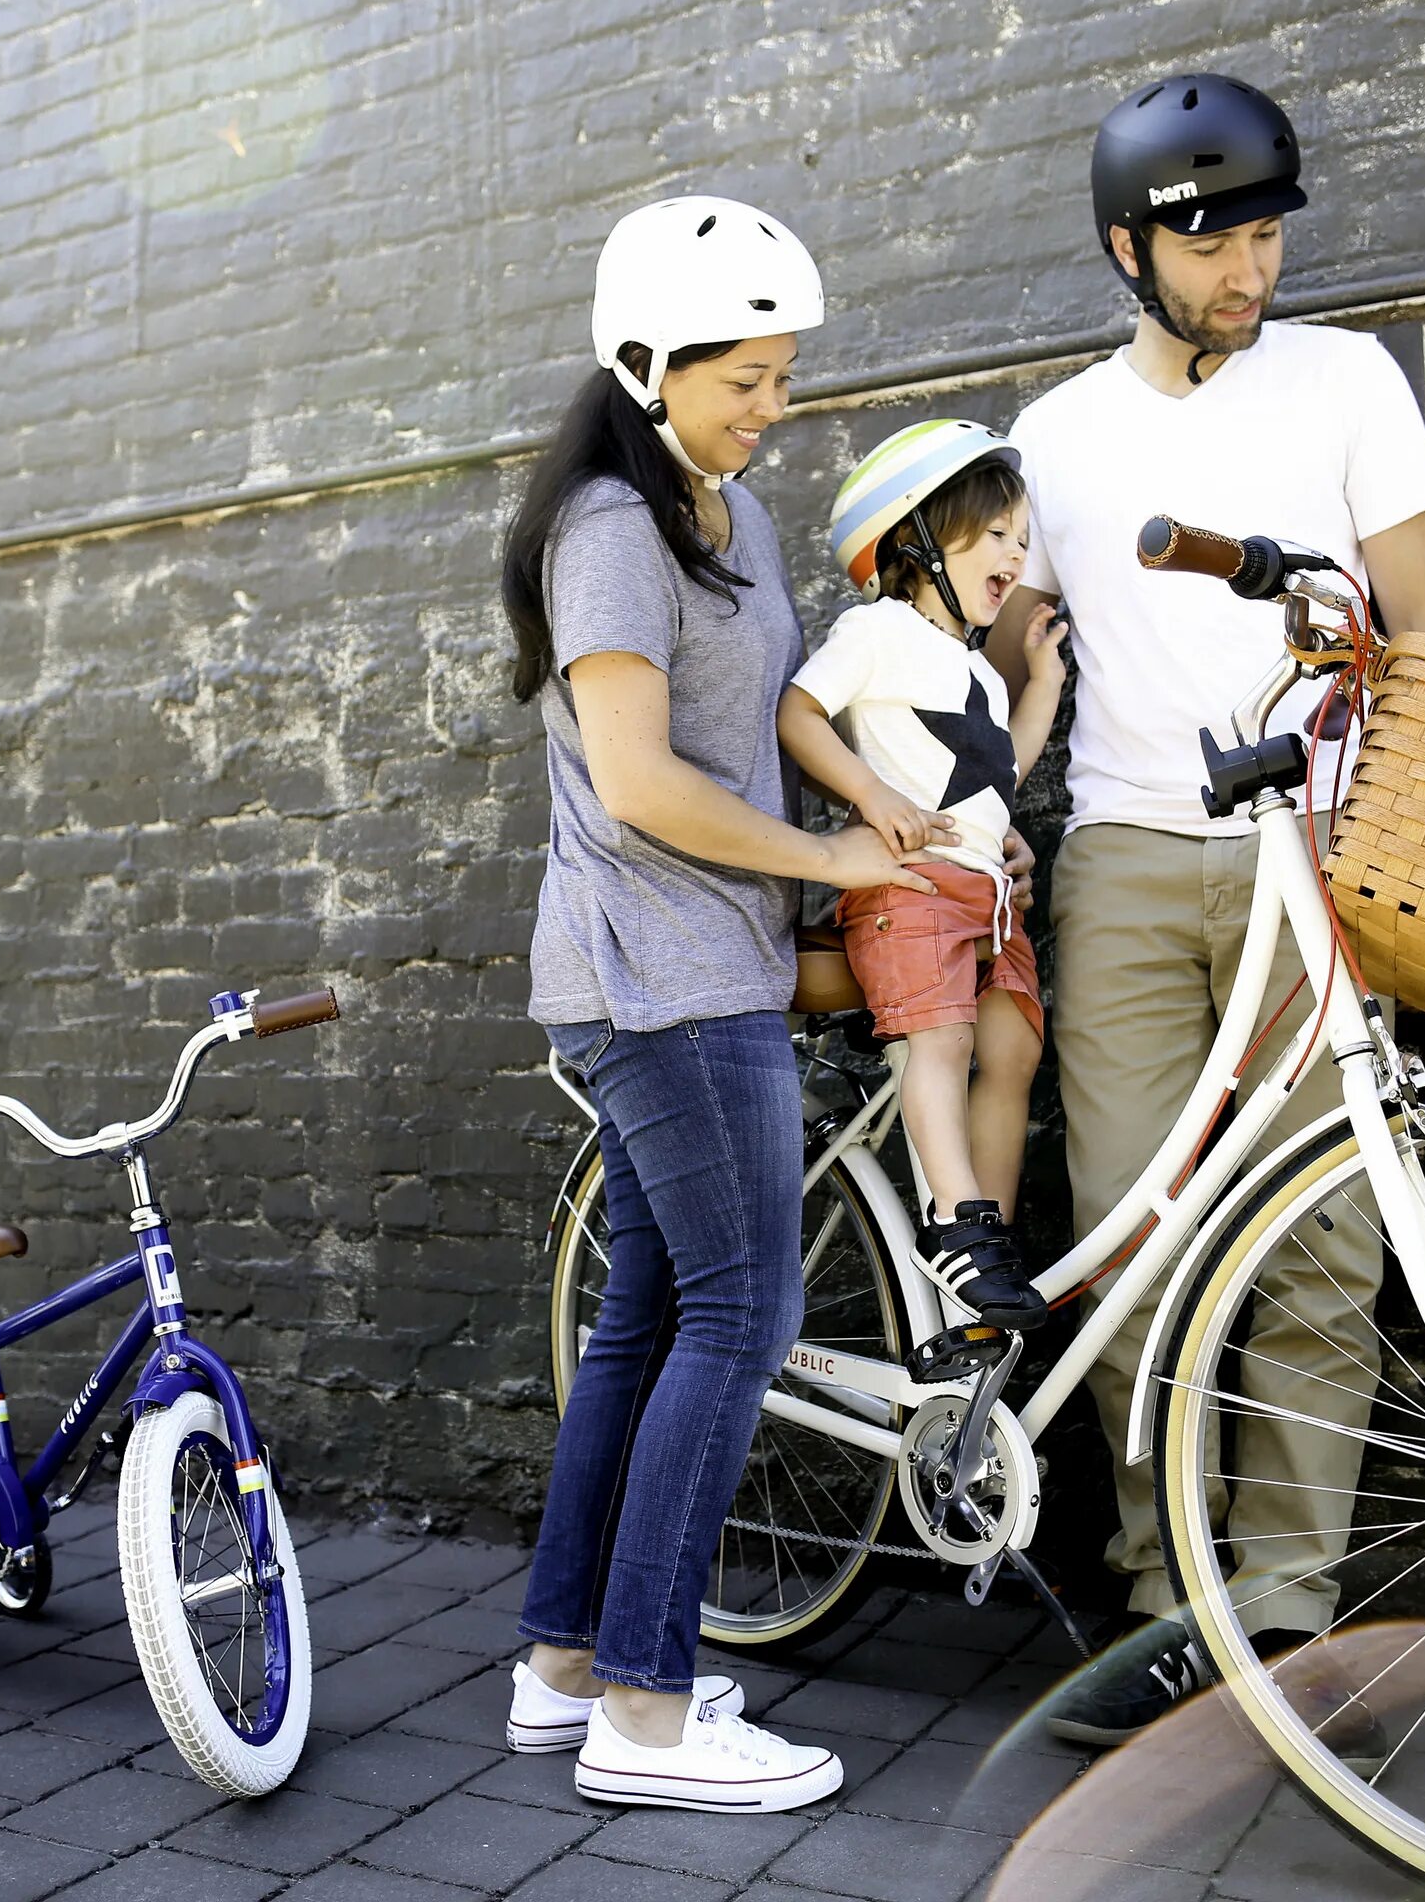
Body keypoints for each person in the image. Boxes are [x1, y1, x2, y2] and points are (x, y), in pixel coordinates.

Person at [985, 73, 1425, 1748]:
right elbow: (1022, 655)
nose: (1247, 269)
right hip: (1123, 857)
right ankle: (1161, 1607)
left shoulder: (1345, 380)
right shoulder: (1052, 439)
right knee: (1132, 1239)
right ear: (1131, 249)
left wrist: (1423, 839)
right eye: (1212, 245)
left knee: (1331, 1241)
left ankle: (1282, 1613)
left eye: (1264, 236)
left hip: (1320, 857)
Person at [499, 195, 925, 1814]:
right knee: (742, 1316)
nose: (772, 404)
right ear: (645, 360)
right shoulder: (612, 527)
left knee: (649, 1318)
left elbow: (760, 720)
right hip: (656, 980)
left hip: (709, 965)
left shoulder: (719, 513)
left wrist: (871, 811)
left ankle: (565, 1666)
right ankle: (652, 1715)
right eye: (741, 375)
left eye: (784, 372)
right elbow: (639, 786)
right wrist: (827, 859)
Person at [778, 421, 1069, 1329]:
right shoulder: (877, 630)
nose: (1016, 555)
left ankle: (989, 1230)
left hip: (983, 903)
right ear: (916, 543)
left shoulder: (977, 671)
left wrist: (1044, 690)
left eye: (1023, 540)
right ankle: (954, 1224)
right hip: (910, 894)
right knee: (938, 1044)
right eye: (995, 536)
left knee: (1014, 1047)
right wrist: (869, 795)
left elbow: (995, 782)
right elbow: (798, 710)